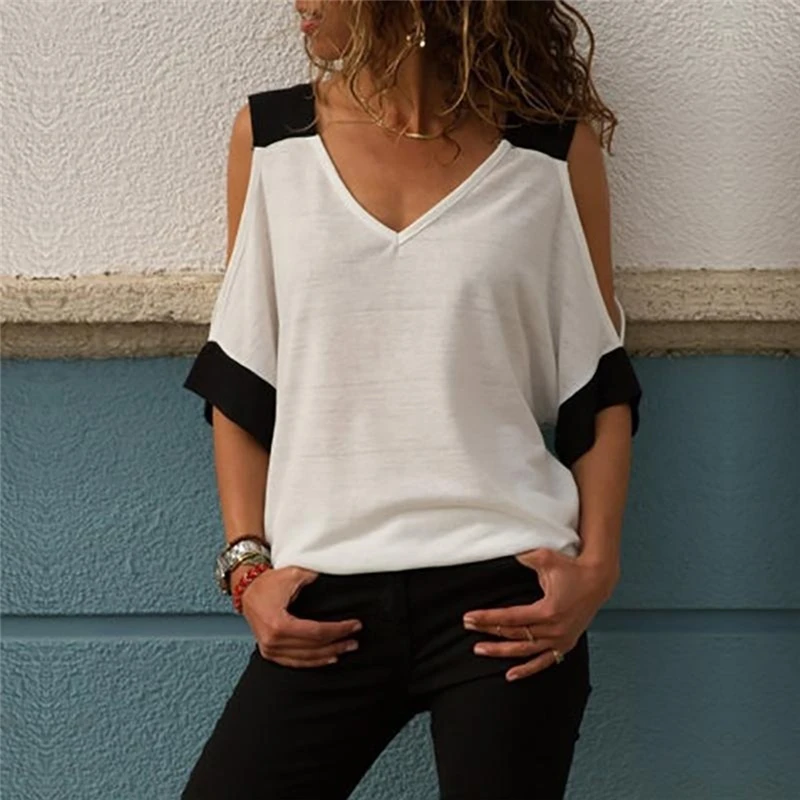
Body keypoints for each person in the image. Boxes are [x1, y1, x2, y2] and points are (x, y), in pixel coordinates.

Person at [180, 1, 642, 798]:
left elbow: (596, 385)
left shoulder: (550, 152)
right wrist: (247, 568)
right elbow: (242, 379)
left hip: (507, 596)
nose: (299, 3)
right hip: (324, 597)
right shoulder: (273, 140)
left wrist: (596, 569)